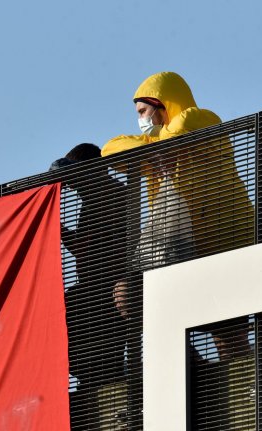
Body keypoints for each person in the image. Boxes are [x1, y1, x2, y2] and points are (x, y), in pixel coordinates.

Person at [103, 71, 253, 357]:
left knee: (228, 336)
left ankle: (241, 382)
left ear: (163, 104)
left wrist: (154, 144)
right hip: (181, 249)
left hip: (228, 244)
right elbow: (110, 150)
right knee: (130, 297)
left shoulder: (205, 120)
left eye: (145, 111)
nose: (141, 119)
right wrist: (153, 145)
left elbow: (184, 123)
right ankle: (194, 367)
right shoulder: (151, 147)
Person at [49, 143, 129, 388]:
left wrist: (57, 229)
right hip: (95, 286)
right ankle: (95, 381)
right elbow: (87, 246)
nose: (72, 185)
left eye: (76, 177)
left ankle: (105, 383)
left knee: (101, 347)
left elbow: (93, 246)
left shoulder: (110, 195)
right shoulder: (97, 197)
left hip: (105, 287)